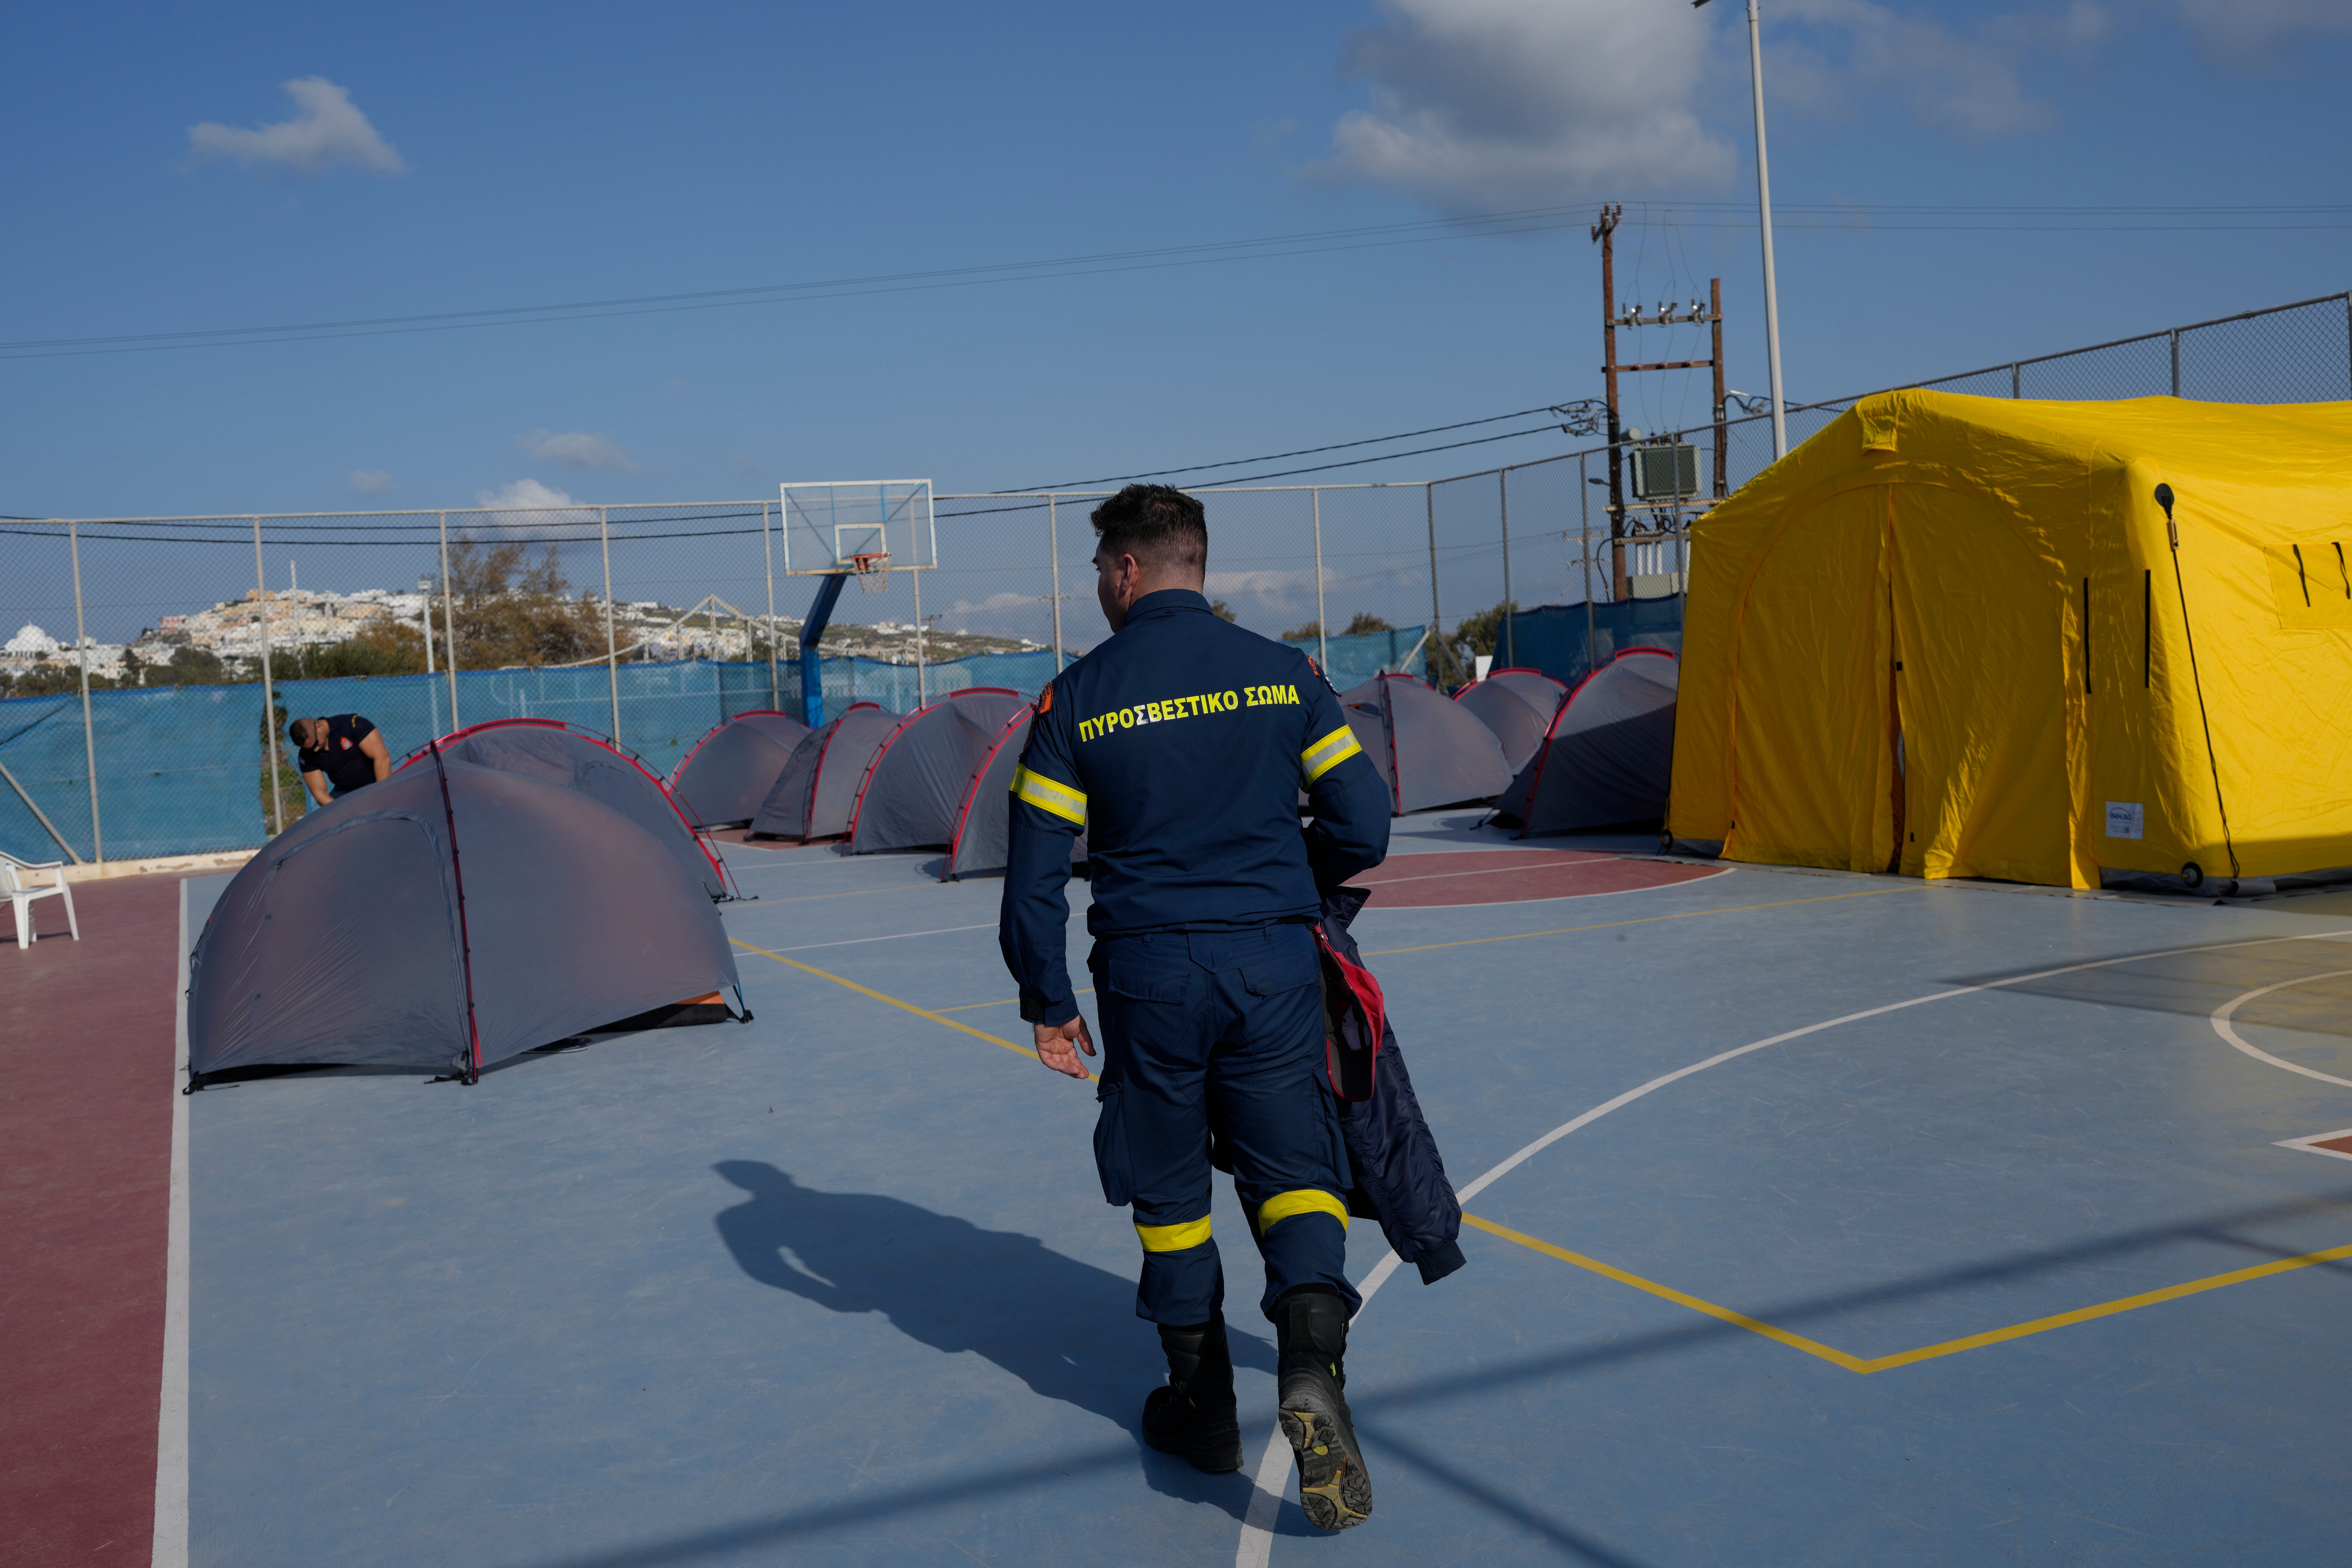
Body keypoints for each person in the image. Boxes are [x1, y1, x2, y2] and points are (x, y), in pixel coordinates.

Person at [998, 484, 1392, 1531]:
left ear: (1126, 568)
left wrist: (1046, 998)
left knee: (1170, 1190)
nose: (1096, 587)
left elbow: (1033, 875)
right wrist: (1293, 885)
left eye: (1097, 570)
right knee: (1294, 1168)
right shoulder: (1283, 675)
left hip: (1148, 976)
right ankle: (1310, 1362)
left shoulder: (1075, 698)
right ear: (1196, 562)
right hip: (1268, 962)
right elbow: (1363, 818)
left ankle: (1203, 1407)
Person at [289, 714, 391, 807]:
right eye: (310, 748)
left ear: (319, 727)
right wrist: (342, 813)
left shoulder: (352, 724)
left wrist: (381, 796)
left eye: (316, 744)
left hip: (374, 783)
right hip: (343, 793)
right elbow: (320, 794)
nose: (315, 750)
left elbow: (382, 758)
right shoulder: (306, 755)